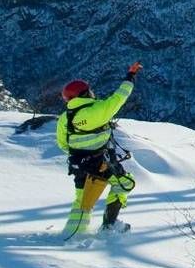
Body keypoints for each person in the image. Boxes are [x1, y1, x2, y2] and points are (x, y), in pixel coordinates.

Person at [56, 61, 143, 237]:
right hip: (100, 163)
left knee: (82, 201)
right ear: (85, 94)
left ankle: (72, 235)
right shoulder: (98, 110)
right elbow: (120, 97)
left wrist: (81, 152)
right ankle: (109, 226)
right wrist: (130, 76)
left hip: (78, 164)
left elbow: (63, 144)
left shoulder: (65, 118)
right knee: (125, 184)